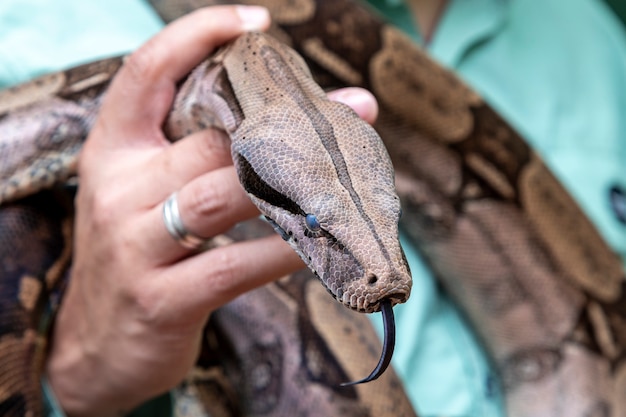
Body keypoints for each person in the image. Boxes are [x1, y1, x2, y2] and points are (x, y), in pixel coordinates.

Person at [1, 1, 625, 416]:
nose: (387, 276)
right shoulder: (27, 28)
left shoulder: (587, 36)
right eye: (318, 228)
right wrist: (73, 382)